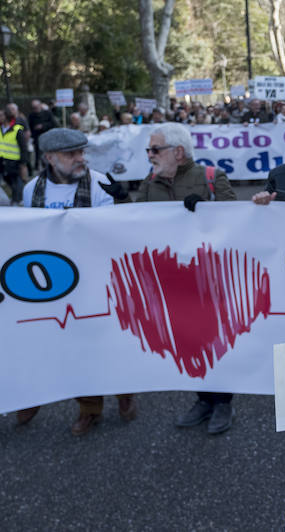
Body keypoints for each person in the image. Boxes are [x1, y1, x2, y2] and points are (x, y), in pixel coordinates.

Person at [14, 128, 135, 434]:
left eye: (82, 152)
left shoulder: (99, 183)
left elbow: (113, 230)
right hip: (54, 282)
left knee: (108, 341)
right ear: (50, 158)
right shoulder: (31, 190)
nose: (80, 158)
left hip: (97, 277)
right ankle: (90, 408)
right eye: (72, 154)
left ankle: (126, 392)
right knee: (71, 345)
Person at [134, 123, 238, 434]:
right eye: (149, 150)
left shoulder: (210, 177)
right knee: (187, 339)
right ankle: (203, 398)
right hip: (170, 279)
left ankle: (223, 403)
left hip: (209, 276)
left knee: (215, 338)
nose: (150, 155)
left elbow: (236, 220)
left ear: (178, 152)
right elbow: (131, 223)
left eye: (155, 149)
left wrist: (208, 211)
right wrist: (117, 203)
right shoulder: (150, 182)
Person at [0, 108, 28, 206]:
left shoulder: (17, 130)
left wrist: (23, 163)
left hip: (14, 160)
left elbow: (23, 147)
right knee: (7, 179)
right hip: (2, 160)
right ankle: (15, 197)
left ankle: (17, 200)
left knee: (16, 180)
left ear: (7, 117)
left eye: (1, 115)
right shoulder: (1, 129)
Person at [28, 99, 59, 171]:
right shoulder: (31, 115)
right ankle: (38, 166)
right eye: (34, 107)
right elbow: (29, 126)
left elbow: (54, 124)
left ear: (40, 106)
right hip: (37, 137)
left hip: (47, 136)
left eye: (36, 107)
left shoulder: (47, 113)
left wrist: (43, 126)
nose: (35, 109)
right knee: (38, 153)